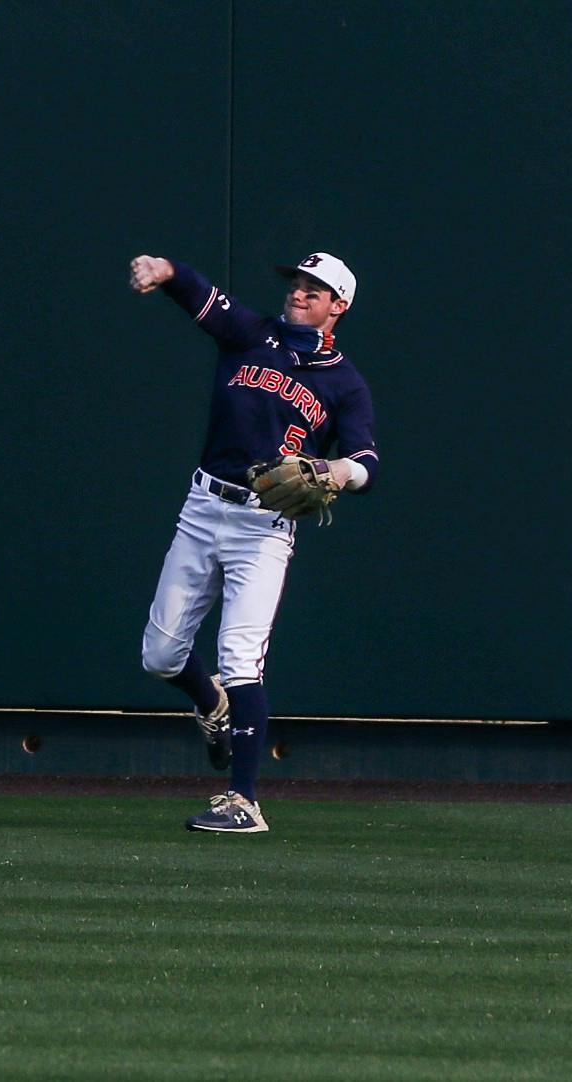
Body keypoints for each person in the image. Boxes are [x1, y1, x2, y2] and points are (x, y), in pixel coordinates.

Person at [129, 250, 379, 833]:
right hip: (203, 505)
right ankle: (210, 703)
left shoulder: (345, 385)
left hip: (263, 526)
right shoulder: (252, 334)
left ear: (338, 306)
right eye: (297, 283)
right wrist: (167, 271)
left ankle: (243, 801)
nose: (299, 292)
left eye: (314, 289)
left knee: (241, 659)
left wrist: (337, 470)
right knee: (160, 656)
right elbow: (200, 296)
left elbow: (367, 462)